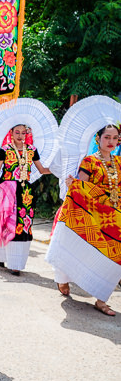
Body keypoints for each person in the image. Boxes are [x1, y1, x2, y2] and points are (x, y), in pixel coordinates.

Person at [46, 123, 121, 315]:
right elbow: (82, 187)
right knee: (78, 247)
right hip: (91, 215)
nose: (111, 141)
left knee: (113, 256)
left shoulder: (119, 163)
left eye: (115, 138)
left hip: (113, 218)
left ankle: (102, 299)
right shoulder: (89, 162)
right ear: (98, 139)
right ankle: (63, 277)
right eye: (107, 137)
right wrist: (75, 184)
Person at [0, 124, 51, 275]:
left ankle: (15, 263)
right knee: (2, 223)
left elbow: (41, 170)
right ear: (11, 133)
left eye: (23, 132)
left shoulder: (32, 150)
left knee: (21, 225)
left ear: (27, 134)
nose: (20, 135)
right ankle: (1, 255)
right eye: (17, 132)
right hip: (3, 191)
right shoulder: (5, 149)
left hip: (24, 193)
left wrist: (58, 169)